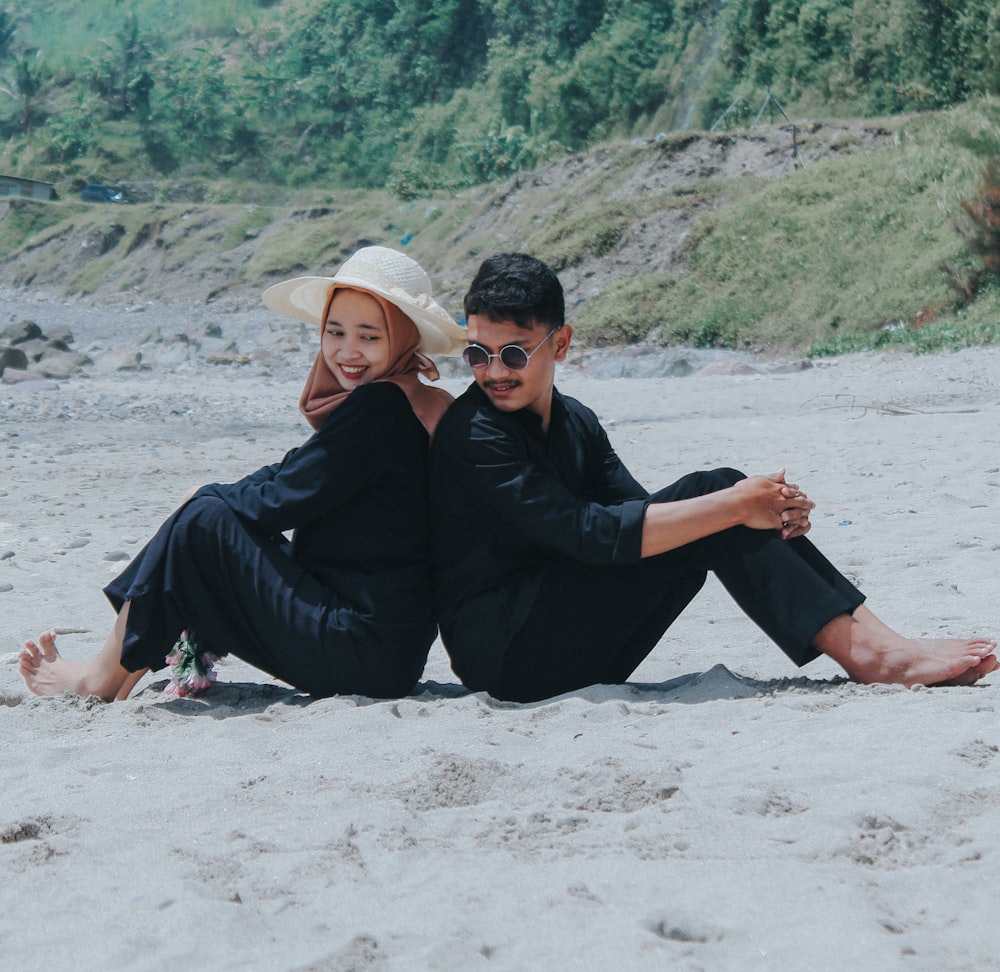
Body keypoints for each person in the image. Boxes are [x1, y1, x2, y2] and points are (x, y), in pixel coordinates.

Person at [429, 252, 998, 702]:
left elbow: (642, 513)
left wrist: (762, 506)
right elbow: (590, 534)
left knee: (720, 493)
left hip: (562, 628)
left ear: (562, 343)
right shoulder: (475, 433)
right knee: (718, 497)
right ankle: (874, 654)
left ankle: (881, 642)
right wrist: (733, 506)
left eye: (512, 353)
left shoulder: (575, 419)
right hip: (509, 655)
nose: (493, 372)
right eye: (477, 354)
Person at [21, 246, 467, 702]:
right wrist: (211, 494)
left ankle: (101, 678)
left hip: (358, 646)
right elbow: (297, 470)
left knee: (201, 521)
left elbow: (279, 501)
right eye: (334, 331)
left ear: (404, 338)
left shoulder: (380, 408)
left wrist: (202, 500)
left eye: (369, 337)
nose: (346, 351)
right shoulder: (424, 400)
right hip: (392, 648)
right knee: (208, 510)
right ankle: (122, 666)